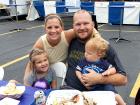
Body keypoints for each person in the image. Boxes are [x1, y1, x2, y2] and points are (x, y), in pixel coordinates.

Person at [65, 10, 127, 91]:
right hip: (71, 94)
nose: (82, 27)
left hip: (97, 96)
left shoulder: (103, 46)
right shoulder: (70, 41)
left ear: (92, 24)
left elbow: (123, 79)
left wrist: (99, 78)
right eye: (78, 24)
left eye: (86, 23)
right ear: (73, 26)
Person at [24, 14, 75, 85]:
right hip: (43, 73)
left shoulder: (67, 35)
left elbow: (83, 29)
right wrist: (26, 84)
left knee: (60, 67)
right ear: (45, 29)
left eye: (56, 27)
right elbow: (30, 63)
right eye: (49, 27)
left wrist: (96, 37)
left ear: (62, 28)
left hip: (59, 70)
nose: (53, 30)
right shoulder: (41, 43)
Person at [75, 37, 126, 105]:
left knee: (112, 94)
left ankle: (123, 103)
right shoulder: (83, 61)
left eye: (89, 53)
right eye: (85, 51)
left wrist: (108, 72)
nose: (85, 54)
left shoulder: (103, 63)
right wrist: (80, 77)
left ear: (98, 55)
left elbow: (113, 69)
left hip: (104, 85)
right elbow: (77, 70)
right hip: (93, 88)